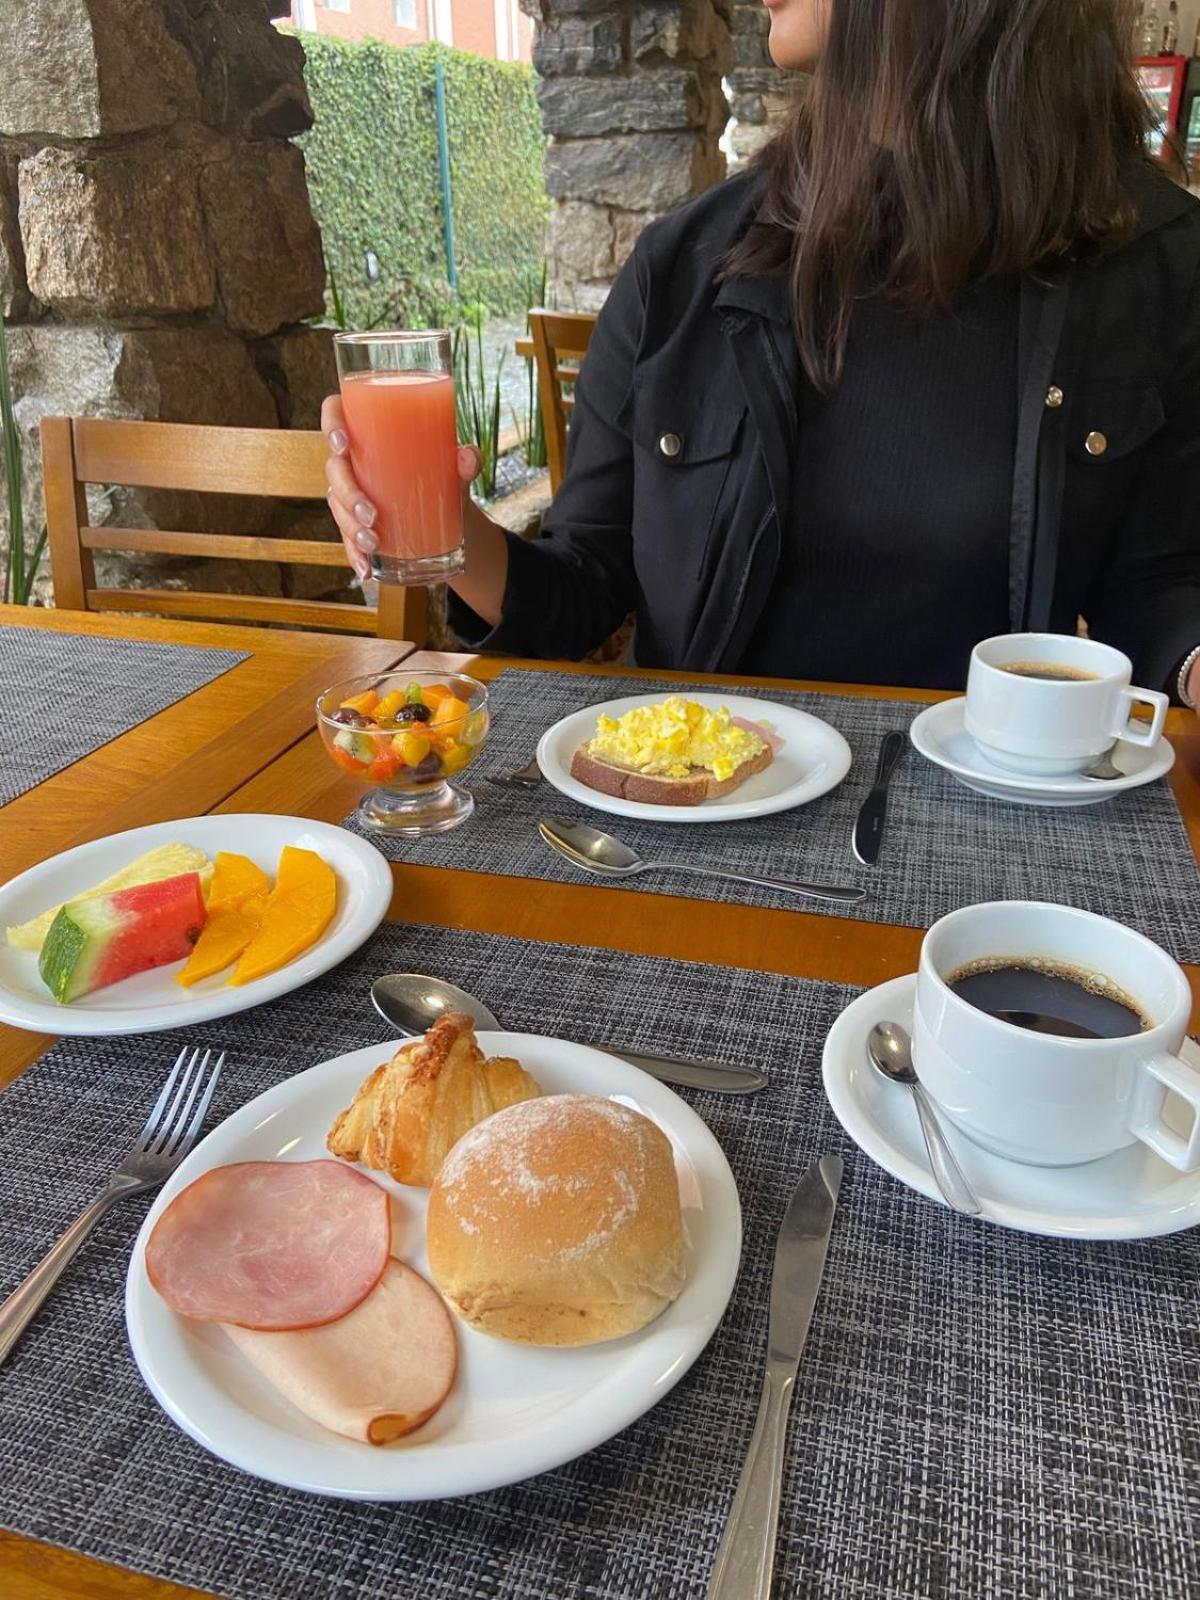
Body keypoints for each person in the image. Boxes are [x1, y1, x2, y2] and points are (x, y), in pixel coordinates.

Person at [322, 0, 1200, 708]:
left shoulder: (1158, 265)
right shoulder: (686, 264)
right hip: (698, 804)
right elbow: (584, 592)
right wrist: (444, 517)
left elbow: (1159, 584)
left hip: (992, 819)